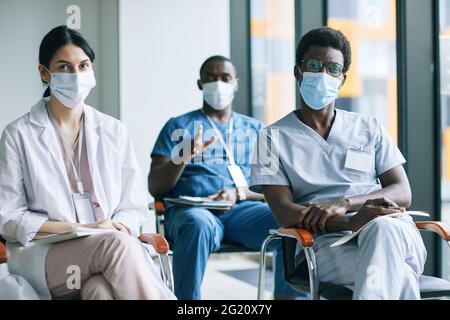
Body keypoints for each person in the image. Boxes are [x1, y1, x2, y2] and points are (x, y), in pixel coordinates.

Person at [250, 27, 435, 299]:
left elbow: (402, 191)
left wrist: (346, 204)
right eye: (314, 65)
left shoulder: (369, 127)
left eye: (333, 68)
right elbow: (283, 213)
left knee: (383, 230)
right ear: (297, 72)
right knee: (396, 276)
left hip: (393, 231)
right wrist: (350, 222)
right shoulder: (269, 138)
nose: (323, 74)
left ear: (342, 79)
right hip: (324, 245)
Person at [0, 25, 175, 300]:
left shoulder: (114, 130)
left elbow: (133, 205)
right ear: (44, 73)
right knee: (116, 247)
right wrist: (76, 229)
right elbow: (8, 216)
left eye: (83, 66)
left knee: (99, 291)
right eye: (64, 67)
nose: (76, 75)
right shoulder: (18, 134)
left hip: (103, 252)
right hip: (46, 255)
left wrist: (115, 226)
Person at [148, 55, 306, 300]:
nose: (218, 83)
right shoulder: (178, 126)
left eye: (225, 78)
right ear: (200, 84)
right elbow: (155, 186)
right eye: (210, 78)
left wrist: (239, 193)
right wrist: (184, 155)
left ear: (236, 84)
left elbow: (277, 187)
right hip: (194, 211)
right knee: (197, 225)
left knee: (292, 223)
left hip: (242, 210)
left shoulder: (256, 130)